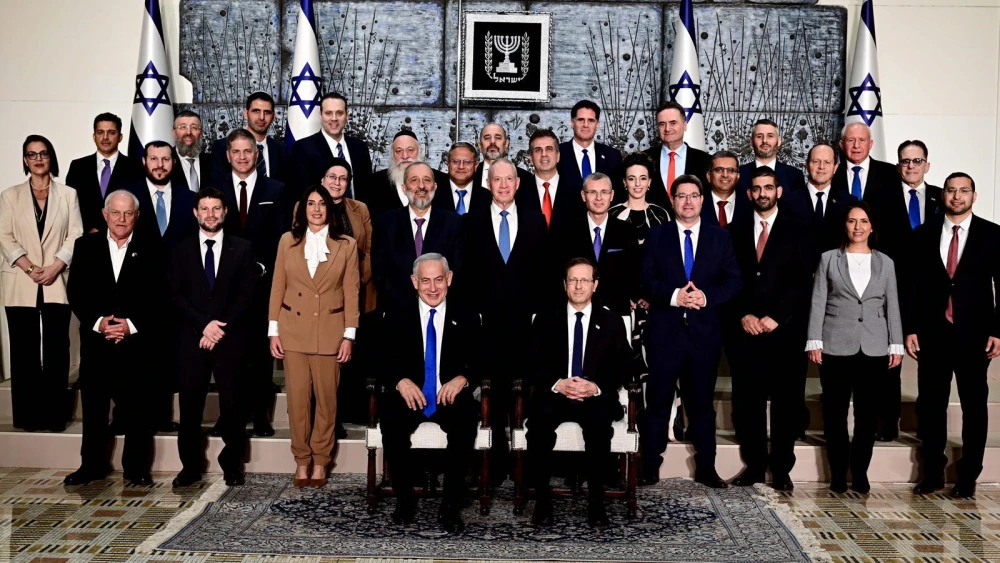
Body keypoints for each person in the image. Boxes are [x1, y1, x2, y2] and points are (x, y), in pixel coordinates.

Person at [639, 175, 740, 488]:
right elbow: (645, 280)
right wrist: (674, 296)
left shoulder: (718, 237)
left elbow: (733, 281)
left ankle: (707, 468)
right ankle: (649, 464)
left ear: (702, 199)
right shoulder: (656, 236)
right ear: (672, 201)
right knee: (657, 403)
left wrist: (705, 297)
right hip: (664, 334)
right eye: (681, 196)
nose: (688, 202)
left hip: (703, 335)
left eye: (693, 196)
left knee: (701, 406)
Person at [908, 173, 1000, 498]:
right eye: (951, 190)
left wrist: (998, 330)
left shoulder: (993, 235)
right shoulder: (924, 233)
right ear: (942, 195)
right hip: (933, 334)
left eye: (963, 191)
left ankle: (968, 477)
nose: (957, 196)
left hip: (974, 335)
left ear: (974, 195)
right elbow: (913, 287)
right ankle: (932, 472)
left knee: (975, 407)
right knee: (931, 406)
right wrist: (911, 329)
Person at [460, 158, 551, 482]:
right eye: (496, 179)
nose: (503, 185)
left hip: (526, 329)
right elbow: (466, 277)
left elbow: (545, 274)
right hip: (487, 330)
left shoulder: (535, 221)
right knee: (494, 397)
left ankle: (525, 464)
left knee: (527, 395)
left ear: (517, 183)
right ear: (488, 183)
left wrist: (537, 317)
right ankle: (497, 462)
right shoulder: (471, 222)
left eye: (508, 179)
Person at [805, 201, 903, 494]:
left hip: (874, 347)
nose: (857, 227)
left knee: (866, 417)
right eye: (852, 221)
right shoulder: (828, 259)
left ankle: (859, 473)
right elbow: (818, 301)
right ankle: (837, 474)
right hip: (835, 345)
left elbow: (892, 305)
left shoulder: (886, 263)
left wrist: (895, 342)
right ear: (844, 226)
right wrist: (814, 340)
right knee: (834, 415)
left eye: (863, 221)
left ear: (872, 227)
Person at [64, 190, 161, 486]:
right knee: (94, 409)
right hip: (97, 343)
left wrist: (129, 326)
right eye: (115, 213)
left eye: (128, 213)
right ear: (105, 215)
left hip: (136, 343)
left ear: (137, 216)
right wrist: (99, 323)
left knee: (138, 411)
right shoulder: (85, 246)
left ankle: (136, 468)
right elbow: (76, 292)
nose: (121, 219)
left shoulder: (153, 247)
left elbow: (159, 296)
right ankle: (92, 466)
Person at [379, 253, 481, 531]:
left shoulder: (467, 313)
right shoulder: (398, 312)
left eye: (439, 280)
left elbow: (485, 357)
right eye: (425, 281)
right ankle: (404, 500)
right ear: (414, 282)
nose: (433, 288)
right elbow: (378, 358)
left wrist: (463, 377)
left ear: (449, 279)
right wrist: (400, 381)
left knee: (464, 423)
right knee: (391, 420)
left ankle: (450, 506)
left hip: (449, 395)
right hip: (410, 394)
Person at [528, 257, 632, 528]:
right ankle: (543, 502)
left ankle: (597, 504)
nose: (578, 286)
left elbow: (624, 366)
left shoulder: (611, 321)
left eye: (584, 280)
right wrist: (557, 383)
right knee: (538, 427)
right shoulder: (546, 318)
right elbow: (531, 363)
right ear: (564, 284)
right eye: (573, 280)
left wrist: (596, 387)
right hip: (555, 394)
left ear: (595, 285)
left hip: (593, 397)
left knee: (599, 427)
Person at [727, 167, 813, 490]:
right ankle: (754, 466)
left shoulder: (799, 229)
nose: (762, 193)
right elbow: (728, 278)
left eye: (768, 187)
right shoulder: (734, 232)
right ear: (748, 194)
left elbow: (804, 280)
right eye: (756, 188)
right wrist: (743, 314)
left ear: (778, 192)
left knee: (786, 403)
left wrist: (777, 316)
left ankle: (781, 469)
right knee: (747, 401)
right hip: (746, 333)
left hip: (785, 332)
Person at [269, 185, 360, 489]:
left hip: (330, 333)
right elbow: (277, 287)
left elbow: (351, 291)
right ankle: (301, 459)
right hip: (292, 331)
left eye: (322, 203)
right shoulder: (287, 241)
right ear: (302, 208)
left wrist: (349, 335)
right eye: (310, 203)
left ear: (329, 209)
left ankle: (321, 460)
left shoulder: (346, 245)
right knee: (296, 402)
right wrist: (273, 331)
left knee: (326, 401)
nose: (317, 209)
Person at [169, 188, 257, 488]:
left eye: (216, 208)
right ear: (195, 213)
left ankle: (232, 463)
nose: (210, 214)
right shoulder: (180, 249)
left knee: (233, 406)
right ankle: (190, 466)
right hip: (192, 339)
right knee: (190, 407)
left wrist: (220, 328)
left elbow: (247, 295)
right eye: (204, 209)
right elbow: (175, 295)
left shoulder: (242, 248)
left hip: (229, 339)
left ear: (225, 212)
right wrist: (203, 326)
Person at [0, 135, 83, 432]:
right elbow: (4, 237)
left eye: (43, 153)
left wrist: (56, 265)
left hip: (57, 278)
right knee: (23, 352)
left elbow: (76, 234)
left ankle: (54, 416)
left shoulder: (68, 195)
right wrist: (31, 267)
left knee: (57, 351)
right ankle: (27, 416)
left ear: (51, 158)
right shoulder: (10, 196)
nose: (38, 159)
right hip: (21, 280)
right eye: (32, 154)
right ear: (25, 160)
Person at [869, 140, 943, 442]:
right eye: (905, 161)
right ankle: (888, 424)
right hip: (894, 289)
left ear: (927, 164)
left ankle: (928, 426)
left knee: (933, 362)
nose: (911, 166)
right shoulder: (880, 198)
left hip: (934, 292)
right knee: (891, 358)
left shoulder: (942, 197)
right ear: (898, 165)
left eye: (917, 160)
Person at [219, 128, 287, 437]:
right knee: (228, 355)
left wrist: (264, 268)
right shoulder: (214, 190)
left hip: (264, 286)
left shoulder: (276, 190)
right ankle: (228, 416)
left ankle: (261, 417)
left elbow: (283, 238)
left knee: (261, 356)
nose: (243, 157)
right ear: (228, 155)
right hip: (224, 288)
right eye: (237, 152)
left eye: (248, 152)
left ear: (256, 155)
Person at [317, 159, 376, 434]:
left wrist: (356, 280)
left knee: (355, 354)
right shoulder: (309, 206)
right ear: (322, 180)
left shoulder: (359, 208)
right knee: (328, 359)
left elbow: (368, 250)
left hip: (359, 293)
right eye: (332, 177)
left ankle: (355, 410)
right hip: (324, 297)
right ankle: (331, 417)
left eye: (343, 178)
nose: (337, 182)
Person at [374, 162, 462, 314]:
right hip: (398, 312)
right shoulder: (385, 223)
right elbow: (380, 273)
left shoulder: (454, 223)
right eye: (414, 180)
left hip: (442, 310)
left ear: (435, 186)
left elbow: (459, 269)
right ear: (404, 188)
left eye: (427, 180)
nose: (421, 186)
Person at [553, 173, 639, 317]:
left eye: (604, 192)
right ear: (583, 195)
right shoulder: (566, 232)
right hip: (576, 310)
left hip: (616, 311)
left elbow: (635, 270)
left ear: (611, 195)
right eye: (592, 192)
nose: (599, 198)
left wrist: (632, 297)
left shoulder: (627, 232)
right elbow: (558, 271)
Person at [64, 113, 142, 234]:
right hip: (85, 239)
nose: (105, 137)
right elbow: (70, 206)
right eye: (100, 132)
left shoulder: (135, 168)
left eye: (111, 132)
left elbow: (137, 207)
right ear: (94, 136)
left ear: (120, 137)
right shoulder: (78, 167)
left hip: (123, 240)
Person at [290, 92, 373, 204]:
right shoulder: (303, 148)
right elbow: (302, 193)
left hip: (356, 217)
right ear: (320, 115)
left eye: (339, 113)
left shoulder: (360, 147)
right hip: (321, 218)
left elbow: (367, 191)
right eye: (328, 113)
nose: (334, 118)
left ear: (347, 115)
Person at [782, 143, 856, 256]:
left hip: (836, 269)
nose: (821, 167)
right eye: (816, 161)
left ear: (835, 168)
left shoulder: (848, 203)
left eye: (827, 162)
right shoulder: (788, 201)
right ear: (806, 165)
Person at [128, 140, 198, 249]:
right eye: (153, 159)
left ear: (174, 162)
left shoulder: (190, 198)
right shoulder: (127, 196)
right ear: (144, 161)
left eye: (166, 159)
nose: (160, 165)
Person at [641, 101, 712, 208]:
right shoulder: (643, 159)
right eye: (662, 124)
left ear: (685, 125)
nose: (667, 129)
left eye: (673, 123)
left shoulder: (705, 160)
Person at [517, 129, 585, 233]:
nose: (544, 154)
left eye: (549, 149)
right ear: (531, 158)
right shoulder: (519, 192)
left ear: (558, 156)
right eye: (538, 150)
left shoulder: (577, 191)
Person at [210, 91, 288, 183]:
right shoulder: (222, 147)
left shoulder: (282, 150)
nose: (261, 117)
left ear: (273, 117)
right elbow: (217, 186)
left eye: (267, 112)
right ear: (246, 114)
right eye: (256, 111)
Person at [367, 130, 448, 217]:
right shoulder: (374, 182)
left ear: (419, 151)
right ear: (392, 154)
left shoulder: (441, 179)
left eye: (410, 150)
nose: (405, 156)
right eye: (399, 151)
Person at [557, 100, 623, 193]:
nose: (586, 125)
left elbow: (618, 192)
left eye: (591, 120)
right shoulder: (558, 153)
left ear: (597, 125)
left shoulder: (612, 156)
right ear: (572, 123)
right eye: (581, 120)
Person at [608, 152, 671, 243]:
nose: (637, 184)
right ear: (624, 182)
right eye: (631, 178)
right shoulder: (612, 213)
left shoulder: (661, 214)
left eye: (643, 178)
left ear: (649, 182)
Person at [831, 123, 897, 206]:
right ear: (842, 145)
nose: (856, 145)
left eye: (862, 140)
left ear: (870, 144)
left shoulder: (891, 173)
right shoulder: (831, 173)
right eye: (851, 140)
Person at [736, 119, 806, 194]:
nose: (765, 141)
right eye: (759, 136)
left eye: (770, 136)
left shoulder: (794, 175)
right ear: (751, 142)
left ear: (779, 141)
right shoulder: (738, 174)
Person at [431, 141, 491, 215]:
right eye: (455, 161)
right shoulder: (433, 194)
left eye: (467, 162)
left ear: (476, 165)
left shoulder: (487, 197)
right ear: (448, 163)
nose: (461, 166)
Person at [472, 123, 534, 189]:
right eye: (487, 138)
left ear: (506, 144)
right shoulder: (469, 176)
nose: (492, 142)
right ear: (479, 145)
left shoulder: (526, 178)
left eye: (498, 138)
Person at [701, 150, 751, 228]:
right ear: (708, 176)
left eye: (730, 170)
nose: (725, 175)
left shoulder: (750, 203)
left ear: (738, 176)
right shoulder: (697, 203)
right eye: (719, 170)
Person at [171, 110, 212, 192]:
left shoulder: (213, 162)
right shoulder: (165, 162)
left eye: (194, 127)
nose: (188, 132)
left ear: (201, 133)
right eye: (182, 127)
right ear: (174, 133)